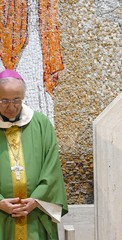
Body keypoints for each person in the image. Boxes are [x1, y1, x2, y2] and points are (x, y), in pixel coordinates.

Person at [0, 69, 68, 239]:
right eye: (4, 101)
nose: (11, 106)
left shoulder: (41, 124)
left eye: (16, 100)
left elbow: (52, 167)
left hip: (34, 215)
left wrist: (36, 200)